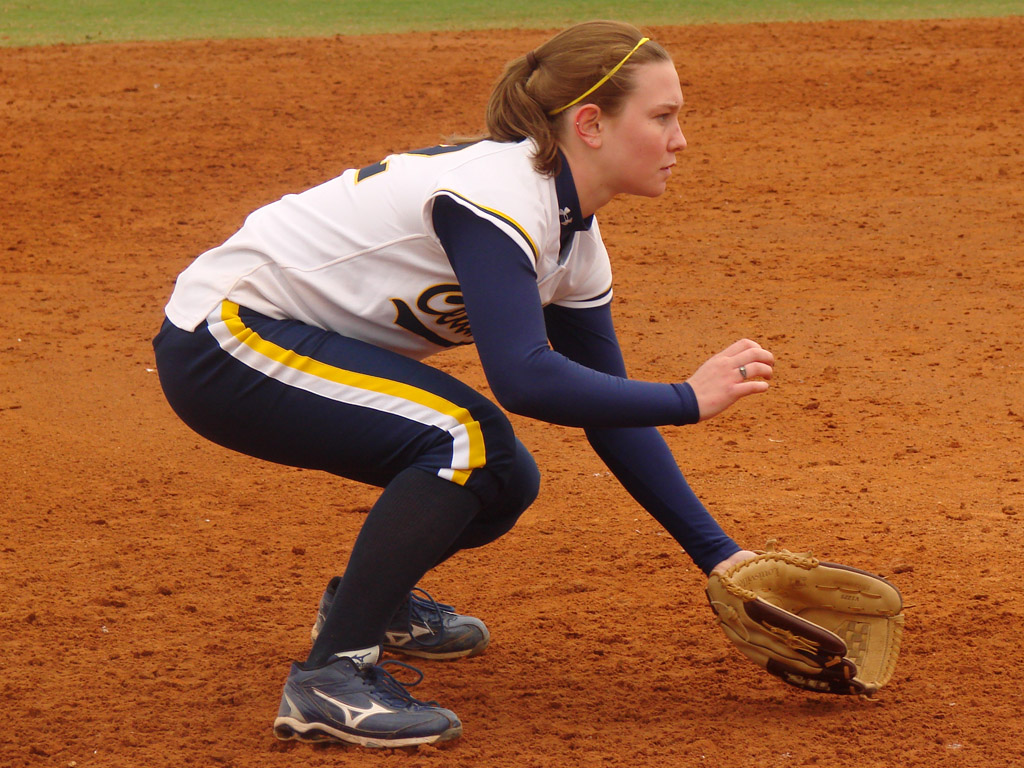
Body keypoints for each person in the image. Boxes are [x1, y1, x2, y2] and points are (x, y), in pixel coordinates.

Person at [153, 19, 774, 749]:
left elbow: (608, 413)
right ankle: (332, 677)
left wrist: (719, 555)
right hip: (224, 338)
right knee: (467, 436)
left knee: (504, 476)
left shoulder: (574, 242)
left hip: (271, 340)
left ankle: (368, 607)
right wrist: (685, 398)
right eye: (663, 117)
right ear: (591, 124)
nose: (681, 139)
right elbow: (524, 377)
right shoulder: (500, 197)